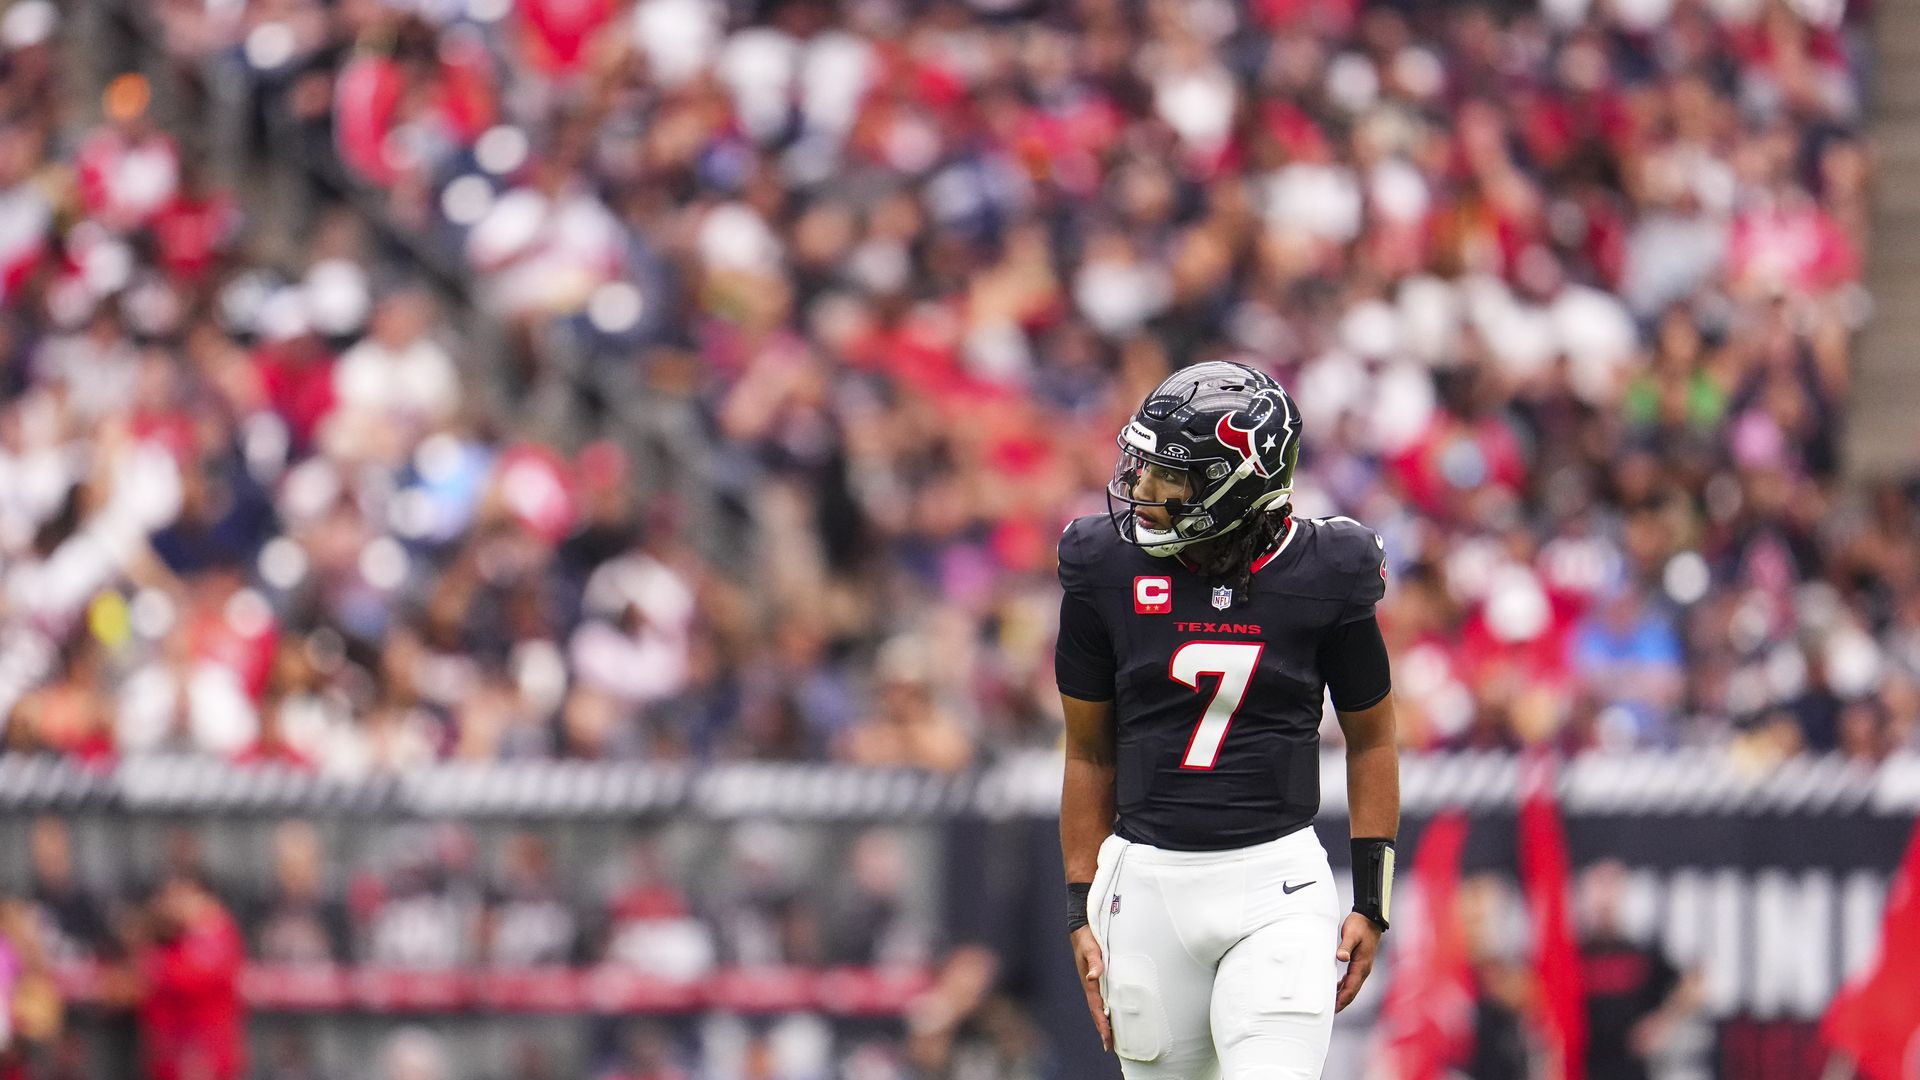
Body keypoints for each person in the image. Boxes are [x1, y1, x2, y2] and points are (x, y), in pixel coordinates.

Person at [1057, 361, 1400, 1079]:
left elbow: (1371, 740)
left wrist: (1373, 899)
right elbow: (1088, 752)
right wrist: (1078, 908)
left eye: (1169, 475)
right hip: (1144, 886)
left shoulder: (1327, 570)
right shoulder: (1103, 567)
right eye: (1144, 465)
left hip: (1276, 883)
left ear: (1236, 484)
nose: (1142, 489)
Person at [1579, 861, 1701, 1080]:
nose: (1605, 898)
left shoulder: (1643, 953)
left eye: (1611, 886)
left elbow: (1695, 982)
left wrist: (1663, 1021)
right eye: (1599, 887)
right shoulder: (1572, 956)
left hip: (1631, 1069)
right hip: (1581, 1068)